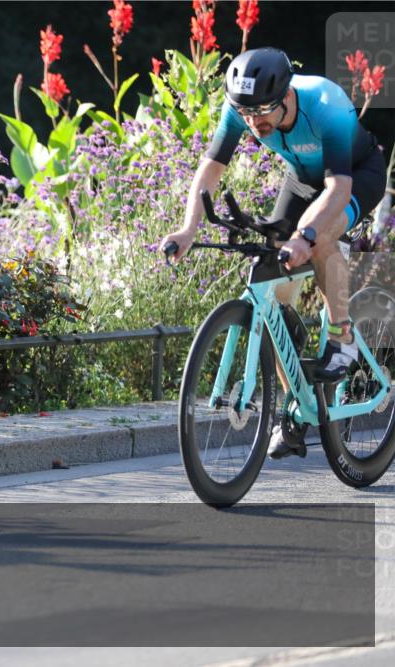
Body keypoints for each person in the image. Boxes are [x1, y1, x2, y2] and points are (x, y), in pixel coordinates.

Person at [160, 47, 387, 458]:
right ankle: (297, 409)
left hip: (355, 175)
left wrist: (306, 235)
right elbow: (211, 168)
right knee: (271, 290)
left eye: (262, 111)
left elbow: (338, 189)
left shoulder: (325, 104)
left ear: (285, 95)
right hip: (301, 181)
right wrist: (189, 227)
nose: (253, 122)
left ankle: (343, 337)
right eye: (245, 113)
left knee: (319, 241)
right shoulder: (242, 109)